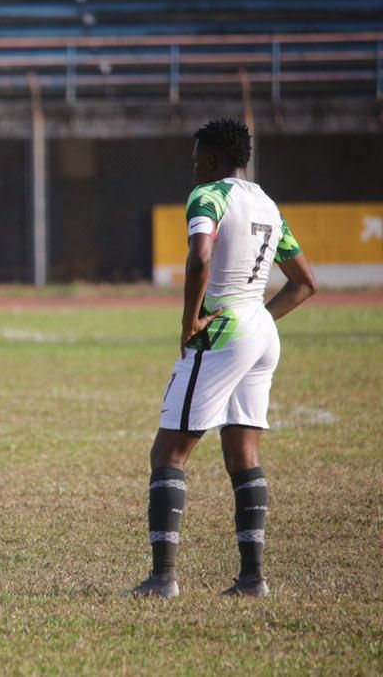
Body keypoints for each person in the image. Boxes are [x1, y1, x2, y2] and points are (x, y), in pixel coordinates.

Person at [131, 118, 317, 598]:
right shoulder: (268, 205)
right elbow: (305, 283)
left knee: (169, 452)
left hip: (223, 326)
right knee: (243, 453)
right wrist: (258, 324)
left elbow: (199, 256)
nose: (193, 169)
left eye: (197, 160)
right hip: (258, 326)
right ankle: (253, 579)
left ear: (212, 160)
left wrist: (190, 320)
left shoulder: (209, 195)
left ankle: (162, 579)